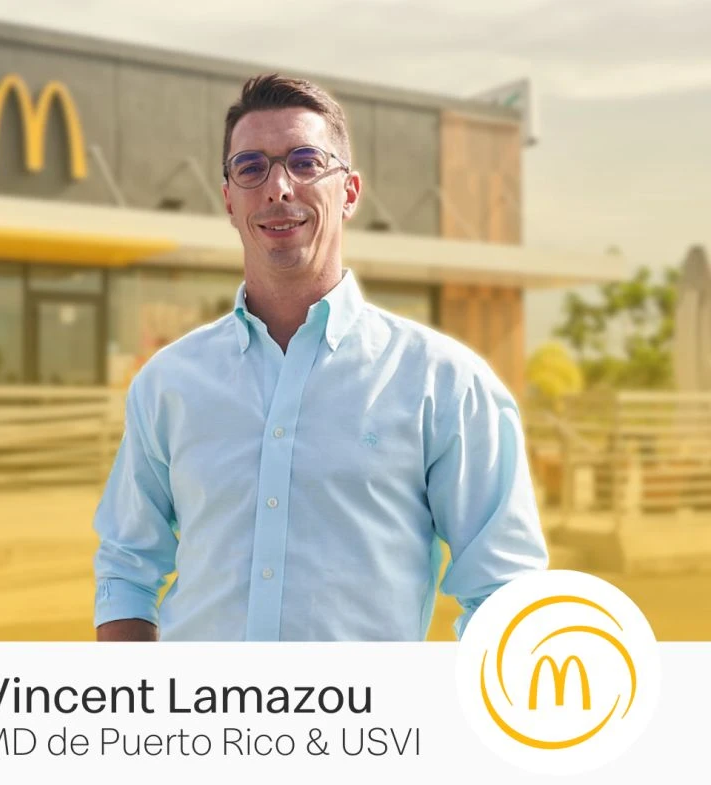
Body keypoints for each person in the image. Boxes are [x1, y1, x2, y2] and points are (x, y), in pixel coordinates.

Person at [93, 74, 548, 642]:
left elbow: (504, 594)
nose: (278, 187)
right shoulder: (168, 383)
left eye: (305, 162)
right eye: (251, 167)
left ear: (349, 191)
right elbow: (127, 568)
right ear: (229, 199)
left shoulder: (445, 383)